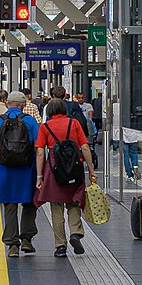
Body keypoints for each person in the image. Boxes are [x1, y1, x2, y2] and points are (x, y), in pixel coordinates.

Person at [35, 94, 93, 257]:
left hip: (54, 168)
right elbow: (85, 147)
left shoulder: (45, 128)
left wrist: (39, 176)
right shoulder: (73, 123)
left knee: (56, 206)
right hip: (74, 166)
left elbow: (40, 152)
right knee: (74, 201)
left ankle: (60, 246)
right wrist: (91, 170)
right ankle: (75, 232)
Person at [0, 89, 41, 258]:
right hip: (27, 169)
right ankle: (26, 240)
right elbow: (39, 149)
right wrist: (40, 173)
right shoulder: (30, 121)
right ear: (23, 105)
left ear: (8, 104)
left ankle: (12, 245)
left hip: (6, 169)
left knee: (9, 204)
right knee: (30, 203)